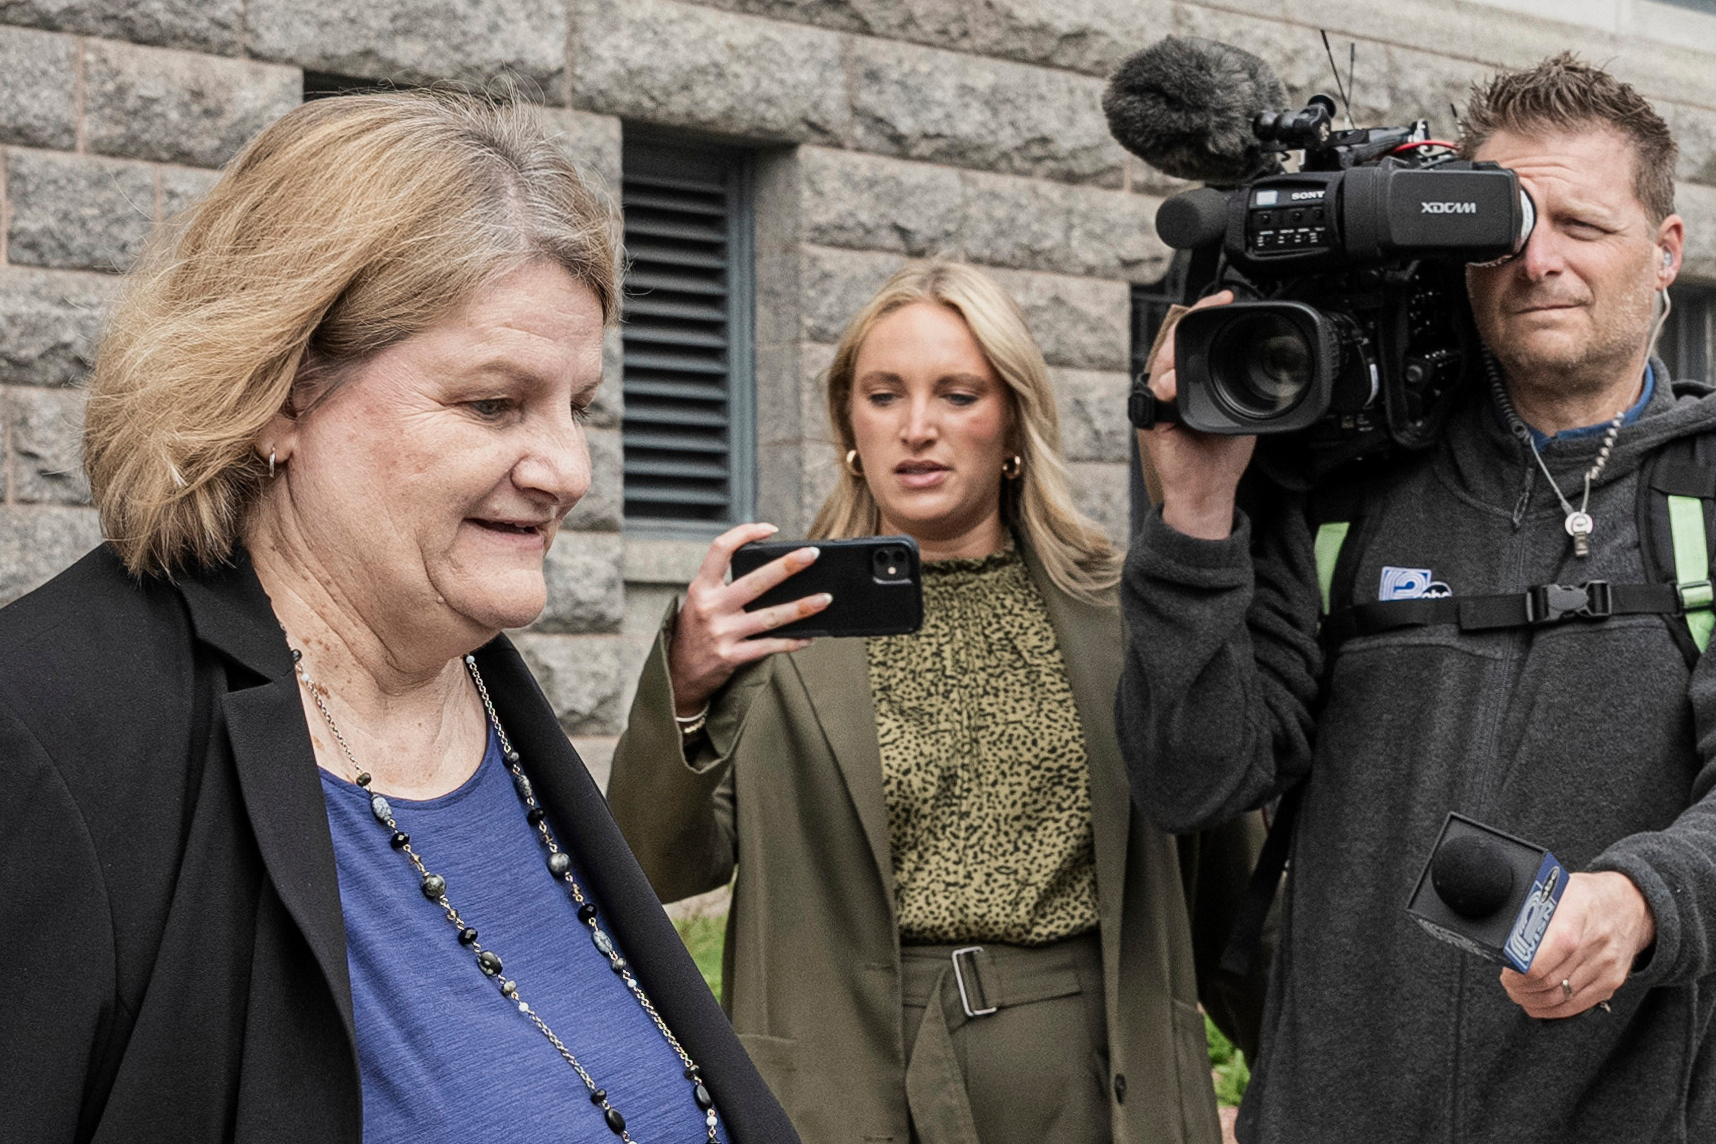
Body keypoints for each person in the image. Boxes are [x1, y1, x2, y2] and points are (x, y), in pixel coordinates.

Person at [0, 93, 799, 1144]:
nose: (570, 470)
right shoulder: (51, 725)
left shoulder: (484, 691)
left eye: (580, 405)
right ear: (282, 393)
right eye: (492, 404)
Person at [1119, 53, 1716, 1143]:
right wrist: (1198, 516)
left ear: (1665, 251)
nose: (1539, 262)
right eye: (1504, 228)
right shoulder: (1344, 492)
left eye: (1580, 225)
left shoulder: (1705, 495)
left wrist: (1638, 901)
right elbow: (1192, 777)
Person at [607, 259, 1268, 1144]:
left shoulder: (1125, 613)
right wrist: (686, 686)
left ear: (1013, 425)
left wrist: (1320, 1070)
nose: (917, 428)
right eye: (884, 395)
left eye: (957, 394)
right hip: (855, 1074)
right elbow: (651, 872)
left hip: (1102, 1063)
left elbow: (1231, 893)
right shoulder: (773, 622)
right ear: (850, 421)